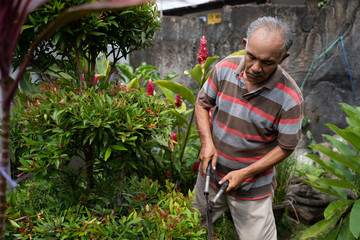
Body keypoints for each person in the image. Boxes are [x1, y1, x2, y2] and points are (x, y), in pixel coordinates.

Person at [193, 16, 303, 239]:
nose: (255, 67)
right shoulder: (223, 69)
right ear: (245, 44)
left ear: (283, 58)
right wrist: (206, 143)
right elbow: (202, 103)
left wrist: (246, 173)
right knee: (188, 230)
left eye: (267, 62)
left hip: (253, 190)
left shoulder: (291, 98)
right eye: (251, 56)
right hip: (210, 178)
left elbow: (287, 146)